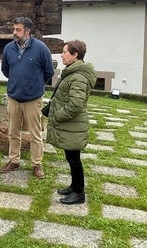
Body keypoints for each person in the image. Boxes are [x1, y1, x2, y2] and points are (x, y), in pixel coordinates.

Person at [0, 16, 54, 179]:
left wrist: (33, 85)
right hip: (14, 97)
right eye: (14, 29)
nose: (14, 32)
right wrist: (17, 83)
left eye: (18, 30)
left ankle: (37, 164)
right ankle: (14, 160)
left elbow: (49, 72)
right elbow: (5, 70)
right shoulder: (9, 48)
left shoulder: (41, 48)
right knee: (13, 132)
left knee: (35, 134)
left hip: (33, 99)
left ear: (28, 32)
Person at [46, 40, 96, 204]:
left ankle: (79, 193)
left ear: (75, 55)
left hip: (73, 124)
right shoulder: (72, 72)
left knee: (74, 159)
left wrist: (58, 116)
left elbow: (75, 104)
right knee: (71, 157)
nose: (61, 55)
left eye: (65, 52)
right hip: (71, 125)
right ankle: (74, 186)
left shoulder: (79, 77)